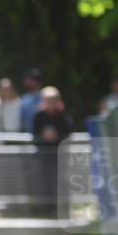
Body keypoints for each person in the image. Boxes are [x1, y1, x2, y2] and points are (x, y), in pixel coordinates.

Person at [31, 86, 72, 216]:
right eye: (48, 100)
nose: (51, 102)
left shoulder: (63, 116)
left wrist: (56, 137)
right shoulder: (39, 116)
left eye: (54, 100)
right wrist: (44, 136)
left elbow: (68, 135)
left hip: (60, 155)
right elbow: (34, 135)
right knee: (44, 181)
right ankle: (46, 208)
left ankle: (61, 207)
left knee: (60, 181)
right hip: (44, 155)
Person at [19, 67, 43, 133]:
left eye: (28, 79)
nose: (25, 81)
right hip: (27, 135)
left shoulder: (46, 97)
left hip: (41, 136)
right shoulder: (24, 98)